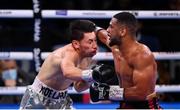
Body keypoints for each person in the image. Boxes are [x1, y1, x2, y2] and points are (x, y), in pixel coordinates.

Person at [19, 20, 115, 109]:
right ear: (76, 44)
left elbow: (78, 87)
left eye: (95, 41)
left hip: (62, 100)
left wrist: (93, 78)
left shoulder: (87, 55)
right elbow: (68, 72)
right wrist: (92, 74)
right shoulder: (67, 53)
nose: (95, 46)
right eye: (90, 42)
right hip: (38, 99)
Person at [90, 12, 162, 109]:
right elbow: (102, 35)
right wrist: (91, 27)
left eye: (111, 27)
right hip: (125, 105)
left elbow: (142, 93)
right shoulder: (115, 47)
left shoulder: (142, 55)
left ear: (122, 32)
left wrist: (107, 92)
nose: (107, 29)